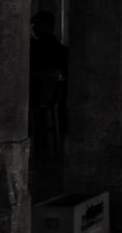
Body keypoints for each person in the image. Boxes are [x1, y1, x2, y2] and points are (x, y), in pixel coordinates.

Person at [29, 11, 69, 153]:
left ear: (45, 25)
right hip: (51, 98)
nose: (32, 28)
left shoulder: (33, 49)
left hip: (35, 96)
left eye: (35, 24)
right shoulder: (62, 51)